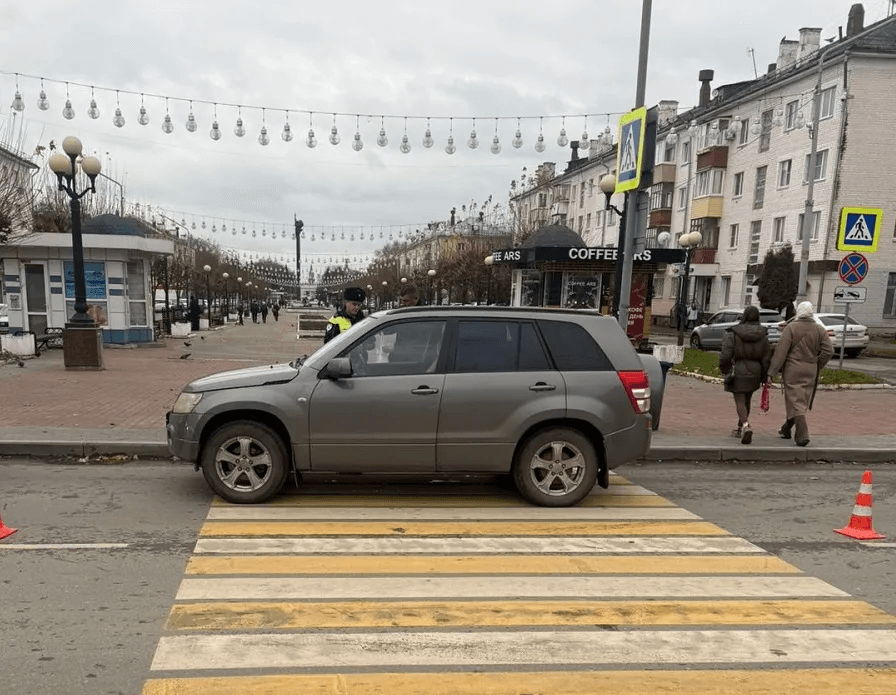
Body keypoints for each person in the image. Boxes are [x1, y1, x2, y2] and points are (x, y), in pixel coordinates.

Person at [767, 301, 834, 447]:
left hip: (793, 368)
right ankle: (786, 429)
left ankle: (802, 435)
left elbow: (781, 352)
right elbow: (829, 351)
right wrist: (817, 364)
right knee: (801, 400)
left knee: (795, 400)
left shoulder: (791, 328)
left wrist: (771, 373)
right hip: (811, 369)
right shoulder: (820, 329)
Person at [718, 306, 772, 445]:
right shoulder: (763, 335)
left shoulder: (733, 333)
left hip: (738, 370)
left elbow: (725, 355)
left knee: (740, 400)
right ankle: (740, 427)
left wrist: (725, 369)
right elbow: (766, 358)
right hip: (756, 371)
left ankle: (746, 426)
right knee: (747, 398)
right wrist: (764, 376)